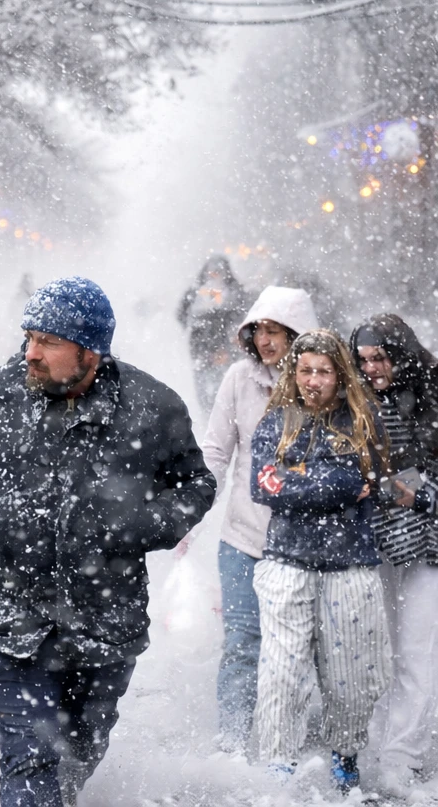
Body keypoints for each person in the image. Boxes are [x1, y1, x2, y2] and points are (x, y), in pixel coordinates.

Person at [0, 276, 216, 807]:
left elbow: (195, 484)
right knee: (31, 762)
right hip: (9, 620)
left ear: (90, 351)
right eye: (28, 337)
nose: (30, 353)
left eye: (48, 342)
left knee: (77, 757)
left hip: (104, 624)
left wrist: (135, 527)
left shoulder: (151, 407)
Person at [250, 330, 391, 793]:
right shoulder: (275, 421)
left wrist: (302, 476)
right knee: (282, 673)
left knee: (352, 676)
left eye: (324, 371)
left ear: (339, 375)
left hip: (350, 564)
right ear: (294, 372)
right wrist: (333, 484)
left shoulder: (362, 418)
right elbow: (264, 486)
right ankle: (277, 769)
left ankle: (345, 758)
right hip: (286, 561)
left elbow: (364, 477)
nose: (313, 380)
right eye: (306, 370)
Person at [202, 286, 319, 756]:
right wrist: (191, 511)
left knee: (298, 650)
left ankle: (288, 743)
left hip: (305, 541)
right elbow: (217, 451)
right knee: (243, 644)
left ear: (298, 334)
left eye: (276, 330)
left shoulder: (321, 380)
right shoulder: (239, 378)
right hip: (244, 537)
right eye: (259, 330)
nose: (266, 341)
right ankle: (231, 743)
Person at [350, 315, 438, 793]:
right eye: (363, 361)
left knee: (415, 656)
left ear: (401, 354)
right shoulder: (355, 401)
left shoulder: (432, 394)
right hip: (374, 544)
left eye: (380, 358)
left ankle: (402, 757)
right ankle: (378, 746)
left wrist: (422, 496)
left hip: (429, 547)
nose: (373, 369)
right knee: (376, 656)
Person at [177, 255, 249, 414]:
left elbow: (242, 316)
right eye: (212, 271)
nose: (215, 275)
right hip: (200, 345)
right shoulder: (196, 291)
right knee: (202, 380)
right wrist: (194, 326)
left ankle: (225, 413)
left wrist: (231, 338)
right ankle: (207, 411)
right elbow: (181, 313)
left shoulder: (235, 292)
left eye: (219, 271)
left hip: (224, 344)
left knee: (225, 380)